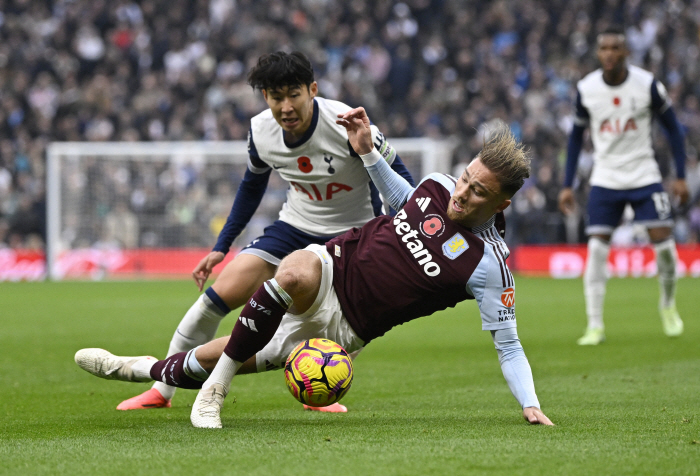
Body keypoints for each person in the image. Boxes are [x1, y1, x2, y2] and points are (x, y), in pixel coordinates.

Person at [75, 113, 554, 429]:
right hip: (331, 267)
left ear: (501, 203)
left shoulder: (489, 266)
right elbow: (400, 201)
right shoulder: (436, 186)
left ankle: (135, 369)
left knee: (213, 357)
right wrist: (368, 152)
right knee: (294, 269)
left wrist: (530, 405)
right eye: (466, 177)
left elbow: (508, 345)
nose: (462, 192)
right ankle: (214, 395)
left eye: (477, 192)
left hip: (346, 330)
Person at [117, 51, 414, 412]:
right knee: (217, 295)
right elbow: (251, 186)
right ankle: (161, 391)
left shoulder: (347, 123)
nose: (285, 106)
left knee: (339, 327)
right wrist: (221, 245)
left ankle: (316, 393)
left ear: (313, 90)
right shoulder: (261, 130)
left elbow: (403, 184)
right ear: (265, 98)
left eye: (294, 94)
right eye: (276, 97)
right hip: (294, 227)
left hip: (351, 238)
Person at [558, 26, 689, 346]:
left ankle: (668, 305)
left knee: (666, 250)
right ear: (598, 53)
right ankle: (594, 325)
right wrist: (567, 184)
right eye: (604, 48)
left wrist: (681, 175)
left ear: (626, 52)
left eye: (615, 48)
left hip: (645, 174)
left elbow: (674, 130)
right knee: (597, 250)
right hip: (606, 178)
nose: (609, 54)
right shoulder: (587, 89)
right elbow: (575, 138)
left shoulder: (647, 86)